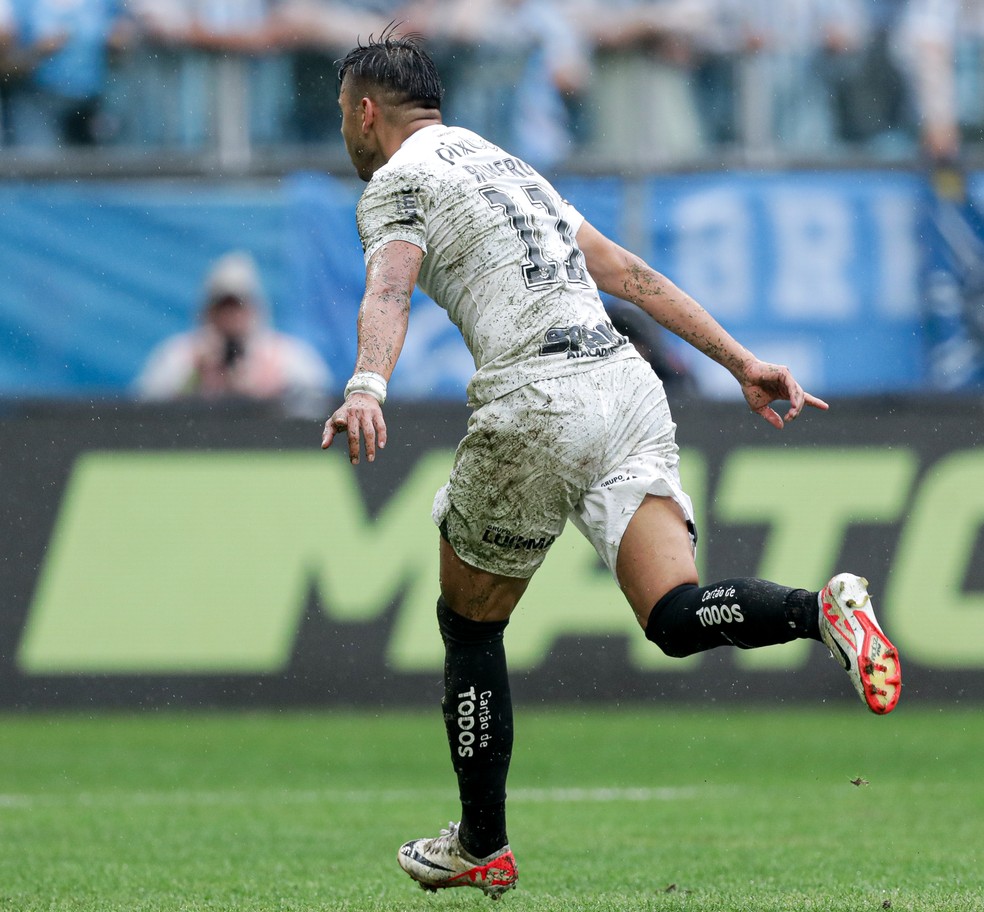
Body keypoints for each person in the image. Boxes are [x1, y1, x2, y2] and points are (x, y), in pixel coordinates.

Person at [321, 31, 902, 899]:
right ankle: (822, 611)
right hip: (626, 384)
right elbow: (628, 273)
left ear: (366, 112)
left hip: (537, 399)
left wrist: (368, 383)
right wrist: (741, 361)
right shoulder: (507, 165)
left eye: (342, 116)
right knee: (673, 615)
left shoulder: (398, 181)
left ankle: (482, 842)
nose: (344, 133)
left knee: (471, 626)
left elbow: (388, 290)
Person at [135, 250, 333, 410]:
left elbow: (321, 407)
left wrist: (270, 393)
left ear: (254, 308)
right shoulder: (181, 355)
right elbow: (145, 409)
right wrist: (196, 378)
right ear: (207, 311)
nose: (230, 317)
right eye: (222, 307)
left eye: (237, 307)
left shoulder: (286, 356)